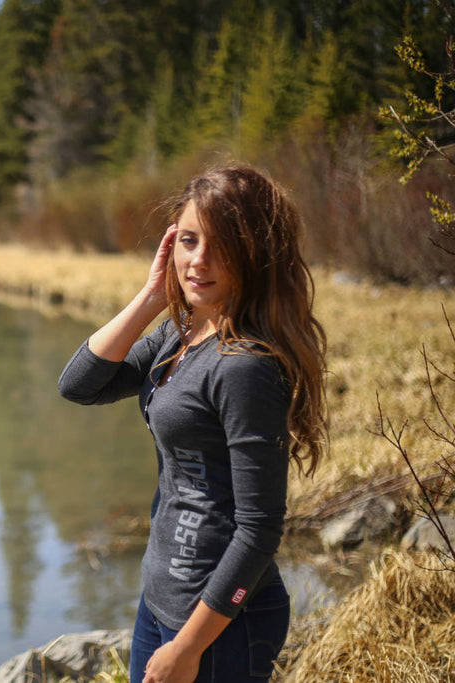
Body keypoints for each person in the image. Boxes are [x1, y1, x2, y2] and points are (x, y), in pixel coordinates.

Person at [58, 165, 328, 683]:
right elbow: (79, 386)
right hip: (161, 602)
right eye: (187, 240)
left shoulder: (244, 366)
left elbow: (259, 528)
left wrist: (189, 645)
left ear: (256, 252)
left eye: (221, 244)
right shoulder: (181, 333)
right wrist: (152, 296)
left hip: (221, 624)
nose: (198, 260)